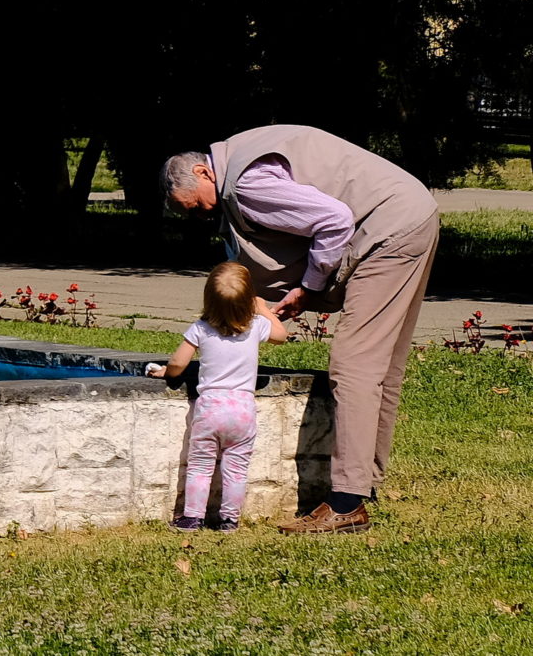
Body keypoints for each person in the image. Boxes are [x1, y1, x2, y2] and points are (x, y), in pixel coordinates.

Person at [162, 124, 441, 534]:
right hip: (409, 214)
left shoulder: (244, 184)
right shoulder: (240, 157)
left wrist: (309, 286)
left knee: (355, 364)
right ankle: (363, 485)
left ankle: (346, 504)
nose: (200, 215)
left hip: (389, 230)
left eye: (194, 205)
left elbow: (334, 220)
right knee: (384, 365)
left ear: (204, 173)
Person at [145, 261, 279, 531]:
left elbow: (178, 363)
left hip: (210, 411)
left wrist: (166, 372)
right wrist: (263, 309)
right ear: (248, 299)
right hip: (242, 412)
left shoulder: (201, 328)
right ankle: (229, 520)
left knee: (200, 466)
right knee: (236, 469)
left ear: (208, 299)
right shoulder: (256, 326)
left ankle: (192, 517)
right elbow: (282, 335)